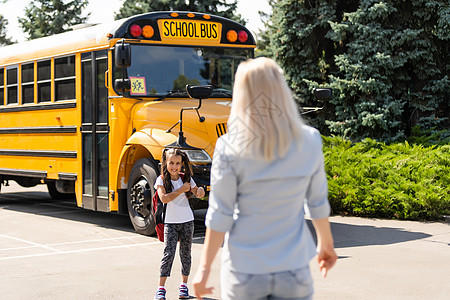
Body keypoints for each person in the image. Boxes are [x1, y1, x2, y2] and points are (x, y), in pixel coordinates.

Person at [192, 57, 337, 300]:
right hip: (294, 269)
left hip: (244, 270)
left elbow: (220, 214)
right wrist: (326, 245)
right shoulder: (310, 139)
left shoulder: (229, 146)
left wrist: (203, 271)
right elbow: (317, 202)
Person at [153, 148, 205, 300]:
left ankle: (184, 286)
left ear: (182, 164)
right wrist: (182, 189)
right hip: (171, 223)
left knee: (185, 254)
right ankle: (160, 288)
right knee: (168, 254)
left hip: (187, 221)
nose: (174, 166)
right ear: (165, 163)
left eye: (177, 163)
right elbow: (164, 198)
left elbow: (197, 192)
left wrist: (200, 191)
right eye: (171, 163)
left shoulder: (186, 178)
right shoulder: (161, 180)